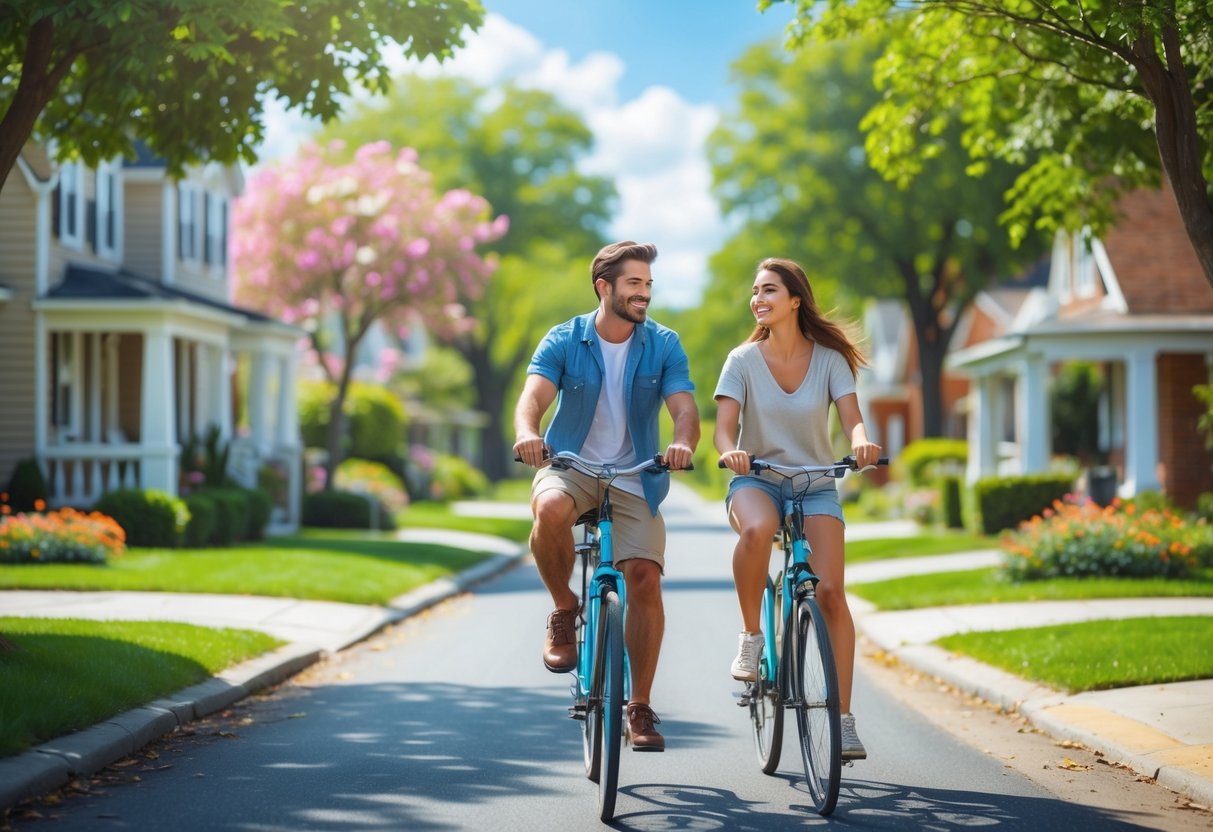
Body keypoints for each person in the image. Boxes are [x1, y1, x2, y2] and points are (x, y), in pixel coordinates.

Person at [514, 240, 700, 752]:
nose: (644, 294)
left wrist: (682, 441)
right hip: (571, 464)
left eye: (648, 285)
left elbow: (684, 407)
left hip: (636, 472)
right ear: (605, 287)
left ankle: (638, 705)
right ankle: (563, 607)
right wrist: (528, 432)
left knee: (643, 578)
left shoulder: (663, 343)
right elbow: (532, 397)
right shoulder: (565, 339)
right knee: (549, 508)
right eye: (634, 284)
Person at [713, 256, 880, 761]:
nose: (757, 299)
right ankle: (751, 636)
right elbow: (724, 426)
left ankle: (844, 721)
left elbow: (853, 421)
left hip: (815, 483)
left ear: (794, 300)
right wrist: (729, 449)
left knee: (830, 591)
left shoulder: (830, 359)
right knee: (757, 531)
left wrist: (864, 442)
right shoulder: (741, 360)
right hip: (756, 478)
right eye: (755, 291)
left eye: (768, 291)